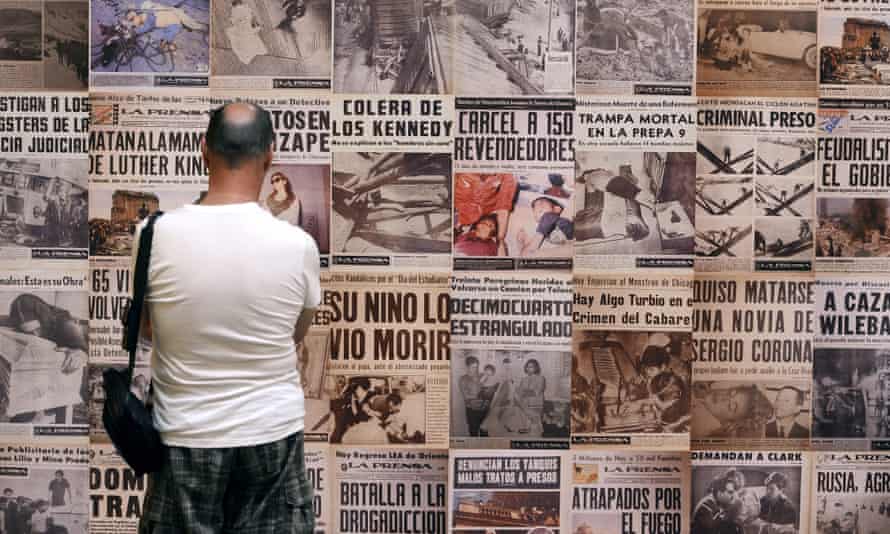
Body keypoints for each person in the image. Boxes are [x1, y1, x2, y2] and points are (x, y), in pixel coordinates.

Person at [137, 102, 319, 533]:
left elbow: (149, 328)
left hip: (183, 436)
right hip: (271, 436)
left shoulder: (152, 235)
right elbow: (296, 332)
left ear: (203, 149)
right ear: (270, 154)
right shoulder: (297, 245)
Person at [691, 469, 745, 534]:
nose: (733, 496)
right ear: (719, 492)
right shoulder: (705, 507)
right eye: (730, 492)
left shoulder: (718, 503)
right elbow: (713, 529)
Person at [459, 356, 486, 437]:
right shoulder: (463, 379)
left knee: (485, 432)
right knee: (473, 433)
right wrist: (479, 384)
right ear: (467, 367)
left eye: (476, 367)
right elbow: (467, 397)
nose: (475, 369)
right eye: (473, 367)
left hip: (484, 409)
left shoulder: (481, 376)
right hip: (472, 411)